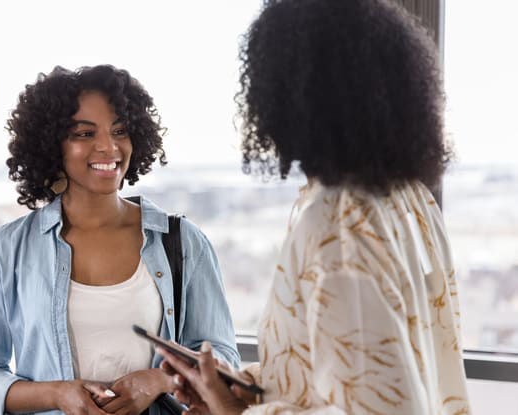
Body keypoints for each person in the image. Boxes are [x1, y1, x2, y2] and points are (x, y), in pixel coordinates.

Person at [158, 0, 472, 414]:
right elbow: (357, 368)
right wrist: (244, 386)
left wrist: (231, 410)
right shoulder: (409, 199)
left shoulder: (337, 222)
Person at [0, 64, 240, 415]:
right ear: (51, 144)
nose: (109, 147)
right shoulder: (7, 249)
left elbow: (224, 360)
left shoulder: (182, 242)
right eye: (84, 134)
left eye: (119, 131)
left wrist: (158, 381)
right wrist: (57, 394)